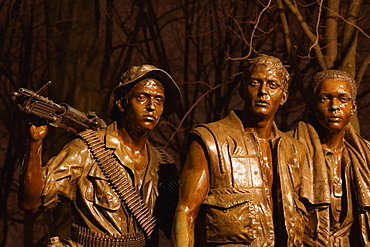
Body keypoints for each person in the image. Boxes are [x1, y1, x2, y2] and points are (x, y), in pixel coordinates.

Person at [18, 64, 181, 247]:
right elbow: (30, 201)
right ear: (122, 103)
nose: (151, 106)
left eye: (158, 100)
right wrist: (35, 144)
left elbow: (176, 222)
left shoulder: (164, 164)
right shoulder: (87, 148)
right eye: (141, 97)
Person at [172, 54, 309, 247]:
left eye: (272, 85)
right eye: (255, 83)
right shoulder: (210, 140)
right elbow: (185, 212)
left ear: (283, 97)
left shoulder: (295, 151)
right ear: (242, 90)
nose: (263, 91)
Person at [290, 70, 370, 246]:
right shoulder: (288, 149)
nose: (335, 106)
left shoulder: (367, 155)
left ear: (353, 107)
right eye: (325, 98)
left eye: (343, 99)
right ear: (311, 106)